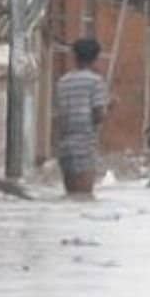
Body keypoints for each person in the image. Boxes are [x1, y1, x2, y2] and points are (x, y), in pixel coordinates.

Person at [55, 38, 109, 196]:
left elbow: (61, 114)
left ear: (74, 57)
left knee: (71, 196)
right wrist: (109, 107)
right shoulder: (96, 81)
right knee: (84, 197)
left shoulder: (63, 81)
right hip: (84, 143)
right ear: (96, 57)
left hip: (65, 145)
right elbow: (98, 116)